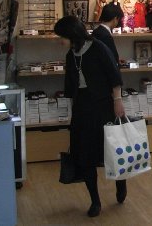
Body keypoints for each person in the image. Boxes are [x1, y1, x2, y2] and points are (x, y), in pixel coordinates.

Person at [54, 16, 126, 218]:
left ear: (72, 34)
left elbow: (114, 76)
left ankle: (121, 182)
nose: (60, 40)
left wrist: (118, 101)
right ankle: (95, 200)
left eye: (62, 36)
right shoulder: (71, 55)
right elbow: (71, 87)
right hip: (82, 107)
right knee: (84, 155)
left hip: (103, 105)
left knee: (111, 150)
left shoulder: (98, 48)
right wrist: (71, 111)